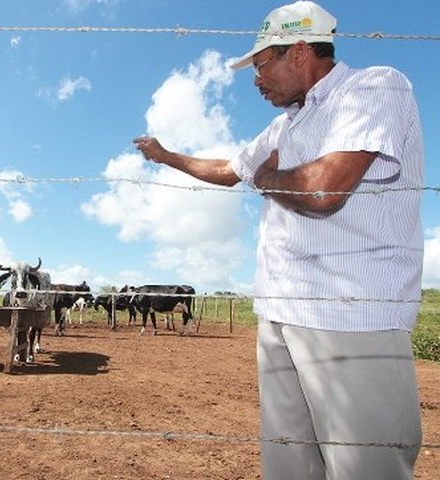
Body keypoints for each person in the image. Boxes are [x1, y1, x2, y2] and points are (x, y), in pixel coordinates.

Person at [134, 1, 424, 479]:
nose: (255, 79)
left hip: (348, 314)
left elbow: (325, 188)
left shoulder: (373, 86)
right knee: (289, 467)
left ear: (300, 51)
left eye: (261, 64)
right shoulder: (284, 125)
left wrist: (267, 178)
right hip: (278, 315)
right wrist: (166, 156)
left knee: (366, 469)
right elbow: (231, 170)